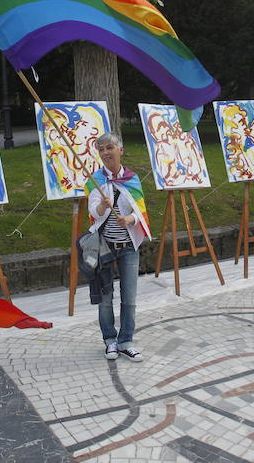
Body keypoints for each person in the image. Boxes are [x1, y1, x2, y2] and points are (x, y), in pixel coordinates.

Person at [86, 133, 151, 362]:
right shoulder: (95, 180)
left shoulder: (132, 179)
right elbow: (93, 213)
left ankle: (126, 341)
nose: (105, 153)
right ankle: (110, 341)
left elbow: (140, 212)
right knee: (105, 297)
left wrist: (129, 220)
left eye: (109, 147)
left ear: (120, 150)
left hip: (128, 247)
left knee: (129, 296)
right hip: (104, 246)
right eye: (101, 149)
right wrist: (103, 207)